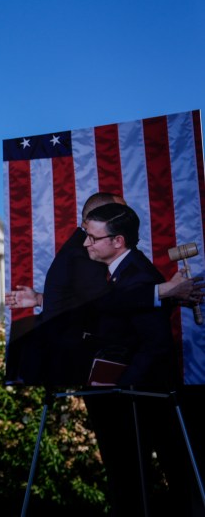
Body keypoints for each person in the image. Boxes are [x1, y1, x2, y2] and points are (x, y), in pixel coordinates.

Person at [5, 192, 203, 385]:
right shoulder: (83, 255)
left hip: (127, 381)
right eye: (117, 212)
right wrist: (164, 291)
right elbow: (103, 303)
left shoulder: (131, 267)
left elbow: (139, 326)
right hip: (80, 365)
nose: (126, 219)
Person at [79, 202, 197, 516]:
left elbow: (156, 345)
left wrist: (123, 387)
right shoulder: (124, 274)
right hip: (129, 395)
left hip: (137, 398)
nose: (85, 243)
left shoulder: (138, 275)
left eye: (92, 237)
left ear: (118, 241)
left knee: (138, 482)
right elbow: (108, 307)